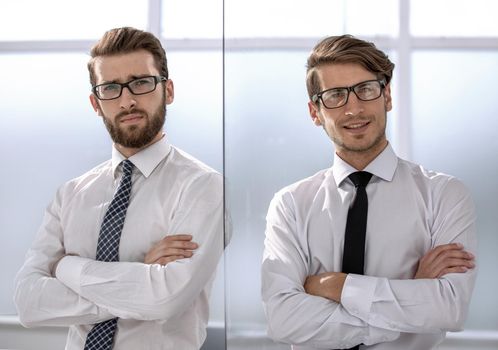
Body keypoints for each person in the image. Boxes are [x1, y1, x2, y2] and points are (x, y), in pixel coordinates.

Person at [261, 34, 477, 350]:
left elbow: (449, 309)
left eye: (365, 90)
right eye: (335, 95)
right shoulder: (291, 204)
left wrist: (337, 285)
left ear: (386, 96)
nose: (354, 109)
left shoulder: (443, 194)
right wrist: (410, 296)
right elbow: (283, 319)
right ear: (315, 112)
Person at [14, 27, 224, 350]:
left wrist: (66, 268)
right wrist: (139, 277)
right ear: (96, 103)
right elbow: (28, 302)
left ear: (168, 90)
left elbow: (166, 299)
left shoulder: (202, 186)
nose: (127, 101)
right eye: (110, 88)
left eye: (140, 82)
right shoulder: (69, 195)